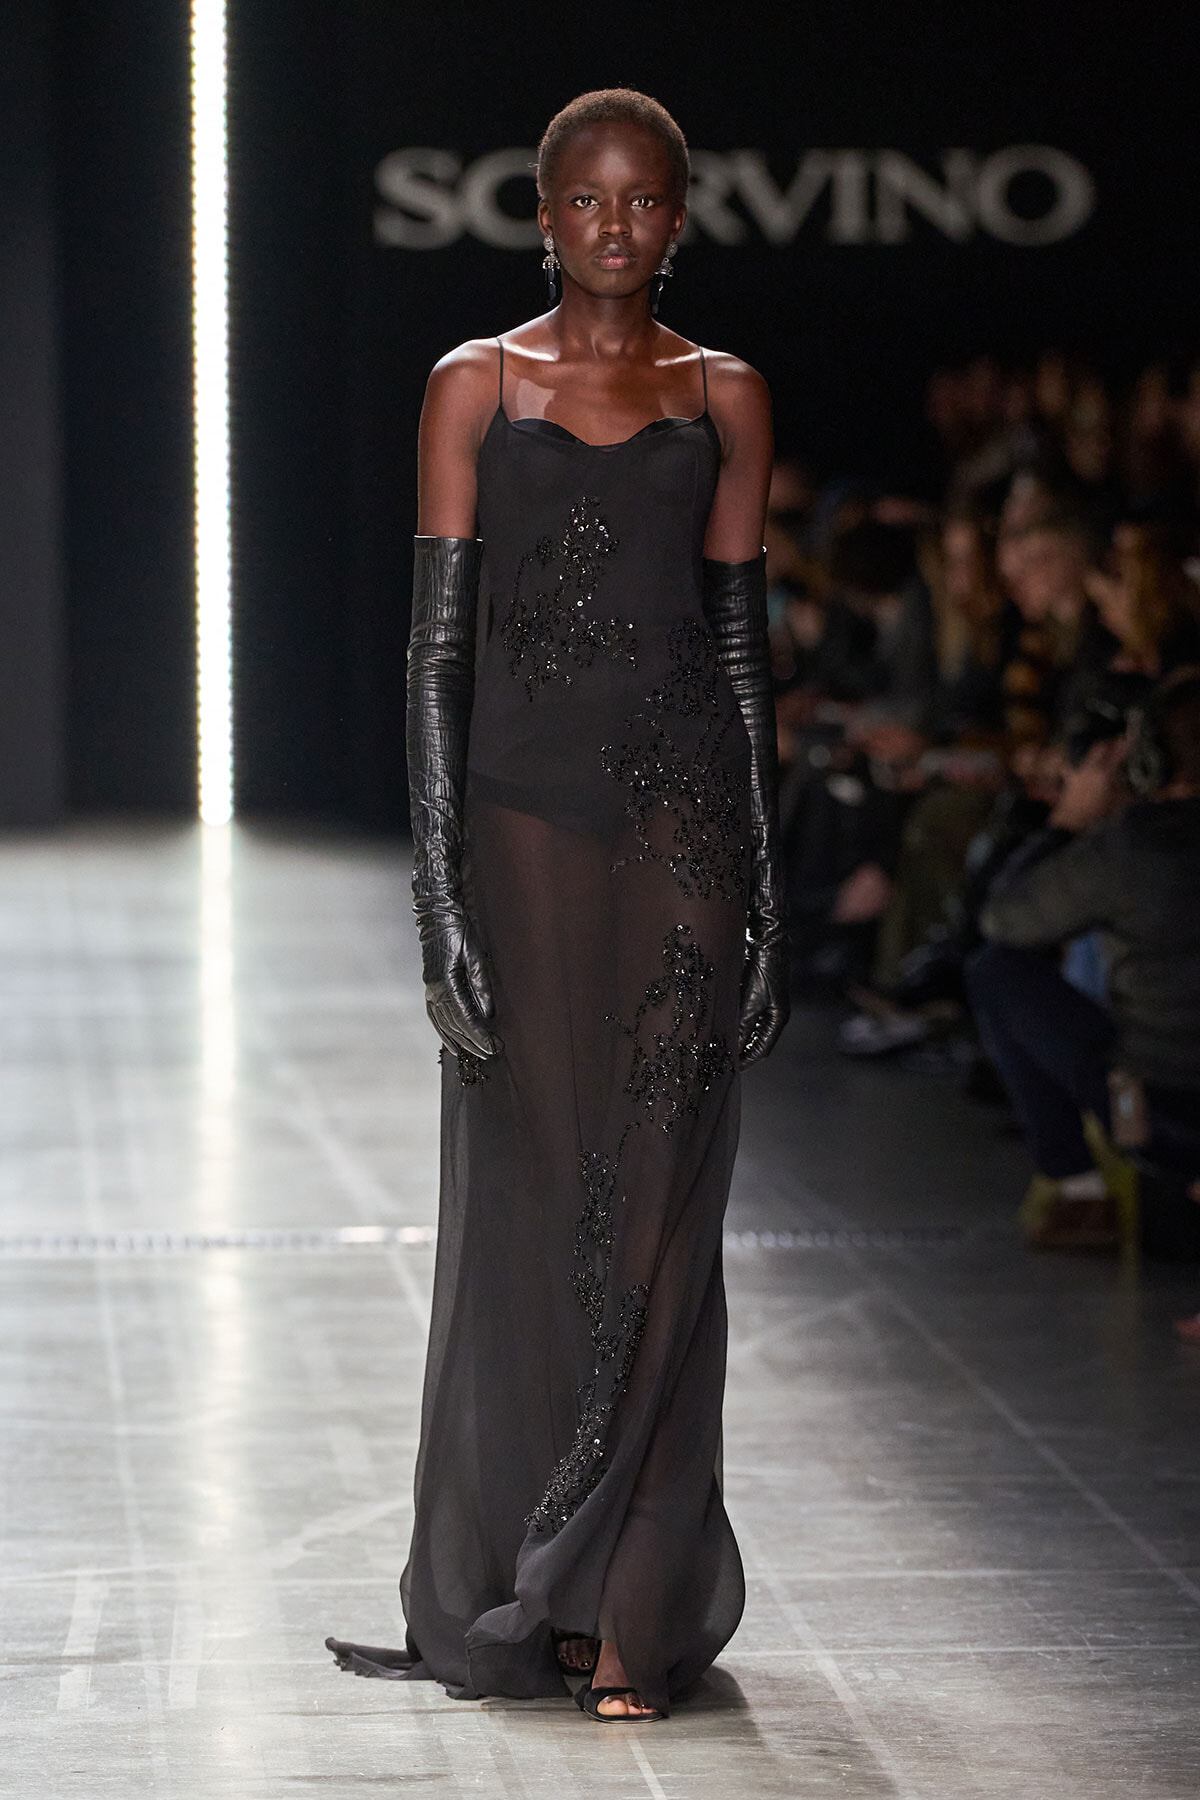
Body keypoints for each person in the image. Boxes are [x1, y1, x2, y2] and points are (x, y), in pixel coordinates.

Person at [326, 90, 787, 1723]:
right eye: (586, 200)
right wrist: (436, 884)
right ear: (544, 212)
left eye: (643, 201)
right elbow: (433, 653)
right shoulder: (477, 384)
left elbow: (742, 656)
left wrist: (774, 890)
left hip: (685, 833)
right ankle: (539, 1574)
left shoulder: (726, 397)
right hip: (520, 831)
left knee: (662, 1211)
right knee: (539, 1206)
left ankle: (635, 1613)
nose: (614, 225)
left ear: (678, 216)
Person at [966, 669, 1200, 1249]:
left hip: (1155, 1117)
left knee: (995, 970)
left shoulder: (1134, 845)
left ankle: (1078, 1187)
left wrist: (1068, 822)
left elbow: (1005, 921)